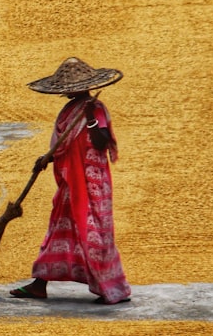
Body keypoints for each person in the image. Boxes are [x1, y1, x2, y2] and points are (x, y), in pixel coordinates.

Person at [9, 57, 131, 304]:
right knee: (58, 228)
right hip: (70, 184)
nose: (66, 92)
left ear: (84, 86)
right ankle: (39, 284)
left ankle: (111, 289)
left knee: (95, 233)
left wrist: (91, 118)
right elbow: (64, 146)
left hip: (92, 183)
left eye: (70, 88)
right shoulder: (67, 111)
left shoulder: (95, 108)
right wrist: (46, 158)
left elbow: (101, 141)